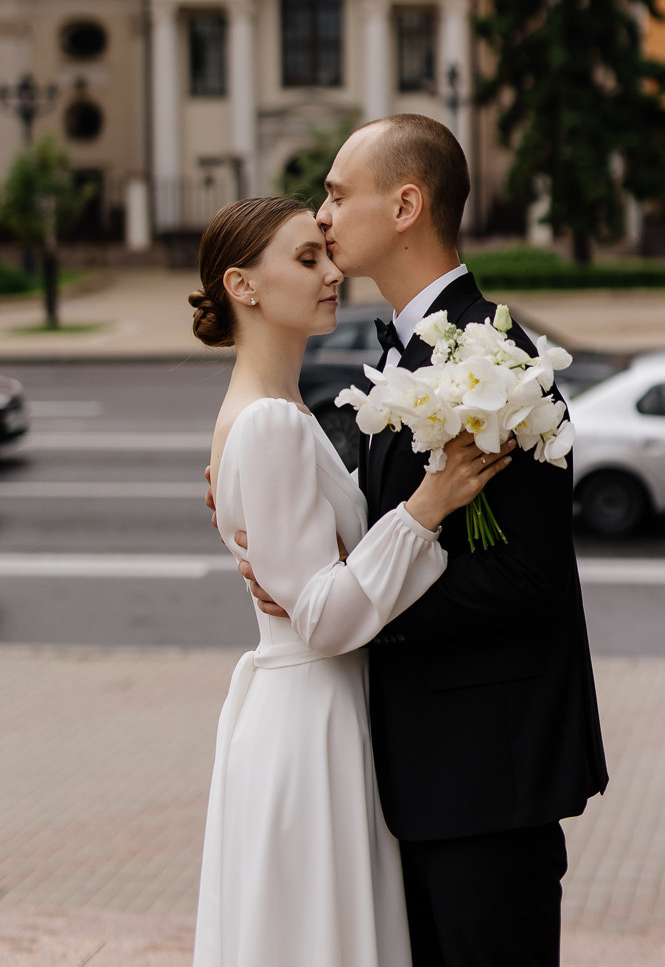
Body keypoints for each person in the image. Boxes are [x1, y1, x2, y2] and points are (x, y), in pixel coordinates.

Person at [234, 117, 608, 967]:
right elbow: (368, 493)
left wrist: (351, 604)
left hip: (484, 779)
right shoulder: (411, 354)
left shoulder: (502, 369)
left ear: (406, 205)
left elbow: (528, 578)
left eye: (336, 194)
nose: (322, 216)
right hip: (415, 775)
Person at [190, 194, 511, 967]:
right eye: (307, 260)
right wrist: (427, 506)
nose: (333, 272)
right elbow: (326, 620)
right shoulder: (267, 422)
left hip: (311, 707)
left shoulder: (273, 413)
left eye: (326, 253)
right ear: (244, 286)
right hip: (310, 717)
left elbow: (314, 584)